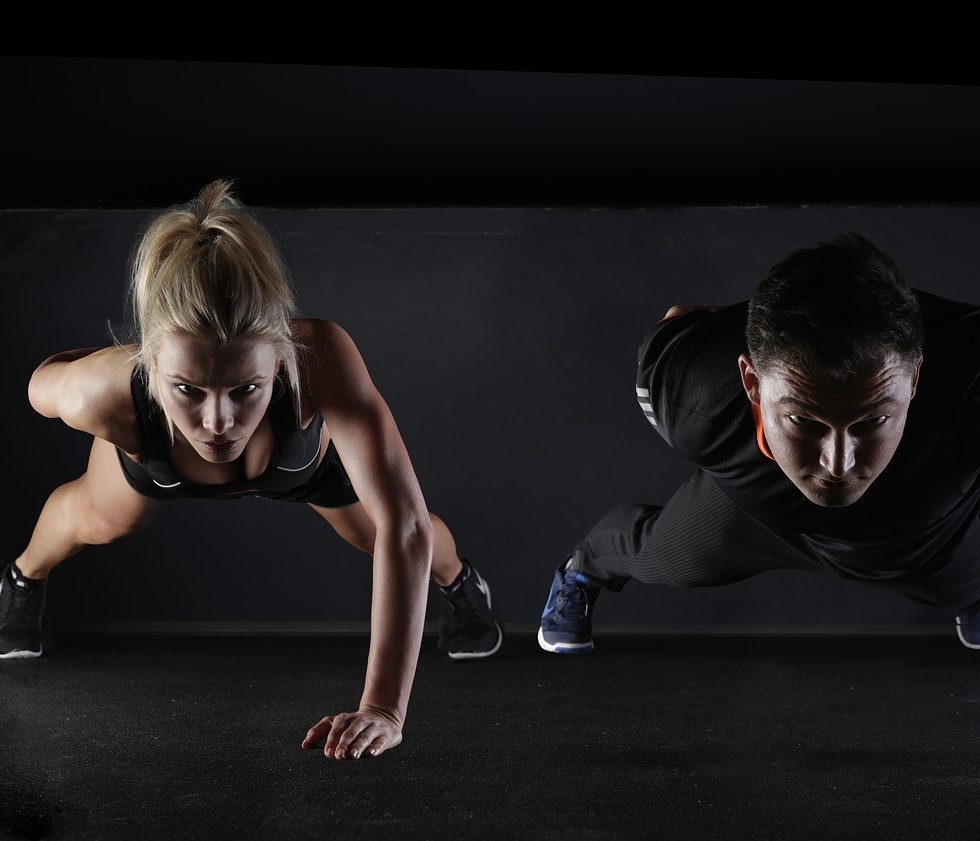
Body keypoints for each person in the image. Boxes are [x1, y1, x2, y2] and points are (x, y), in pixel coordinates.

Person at [0, 180, 503, 760]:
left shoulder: (321, 359)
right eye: (188, 389)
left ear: (281, 357)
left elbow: (405, 523)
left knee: (378, 532)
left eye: (247, 389)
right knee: (98, 519)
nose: (218, 421)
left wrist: (384, 707)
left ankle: (462, 584)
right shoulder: (100, 392)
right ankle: (22, 579)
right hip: (158, 457)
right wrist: (120, 372)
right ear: (152, 360)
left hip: (300, 468)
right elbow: (46, 378)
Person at [538, 233, 980, 653]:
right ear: (751, 381)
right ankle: (583, 569)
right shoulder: (696, 393)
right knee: (666, 558)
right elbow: (679, 320)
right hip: (756, 515)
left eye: (873, 420)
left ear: (916, 378)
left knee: (964, 583)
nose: (838, 464)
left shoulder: (968, 380)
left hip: (922, 534)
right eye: (803, 421)